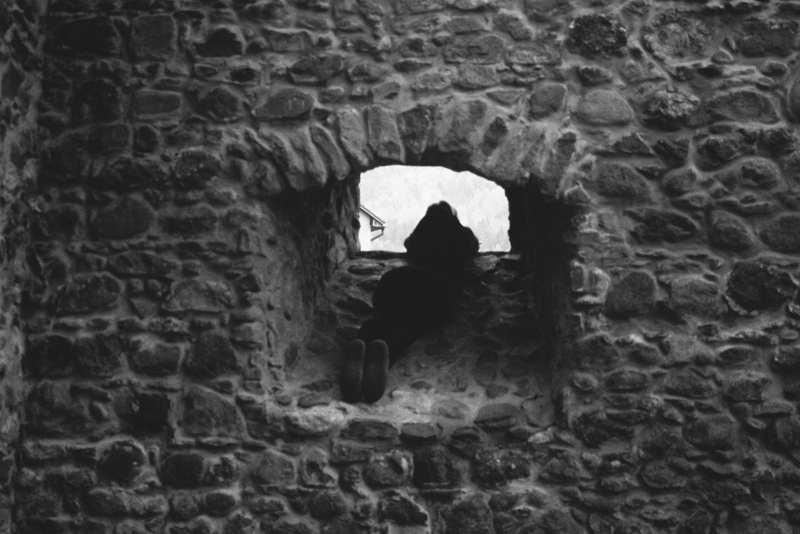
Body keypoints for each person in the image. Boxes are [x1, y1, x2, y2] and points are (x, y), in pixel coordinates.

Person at [340, 201, 480, 403]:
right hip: (438, 287)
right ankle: (385, 351)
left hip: (397, 279)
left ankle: (360, 343)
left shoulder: (423, 228)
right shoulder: (462, 234)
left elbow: (408, 244)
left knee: (381, 317)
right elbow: (473, 246)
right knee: (409, 327)